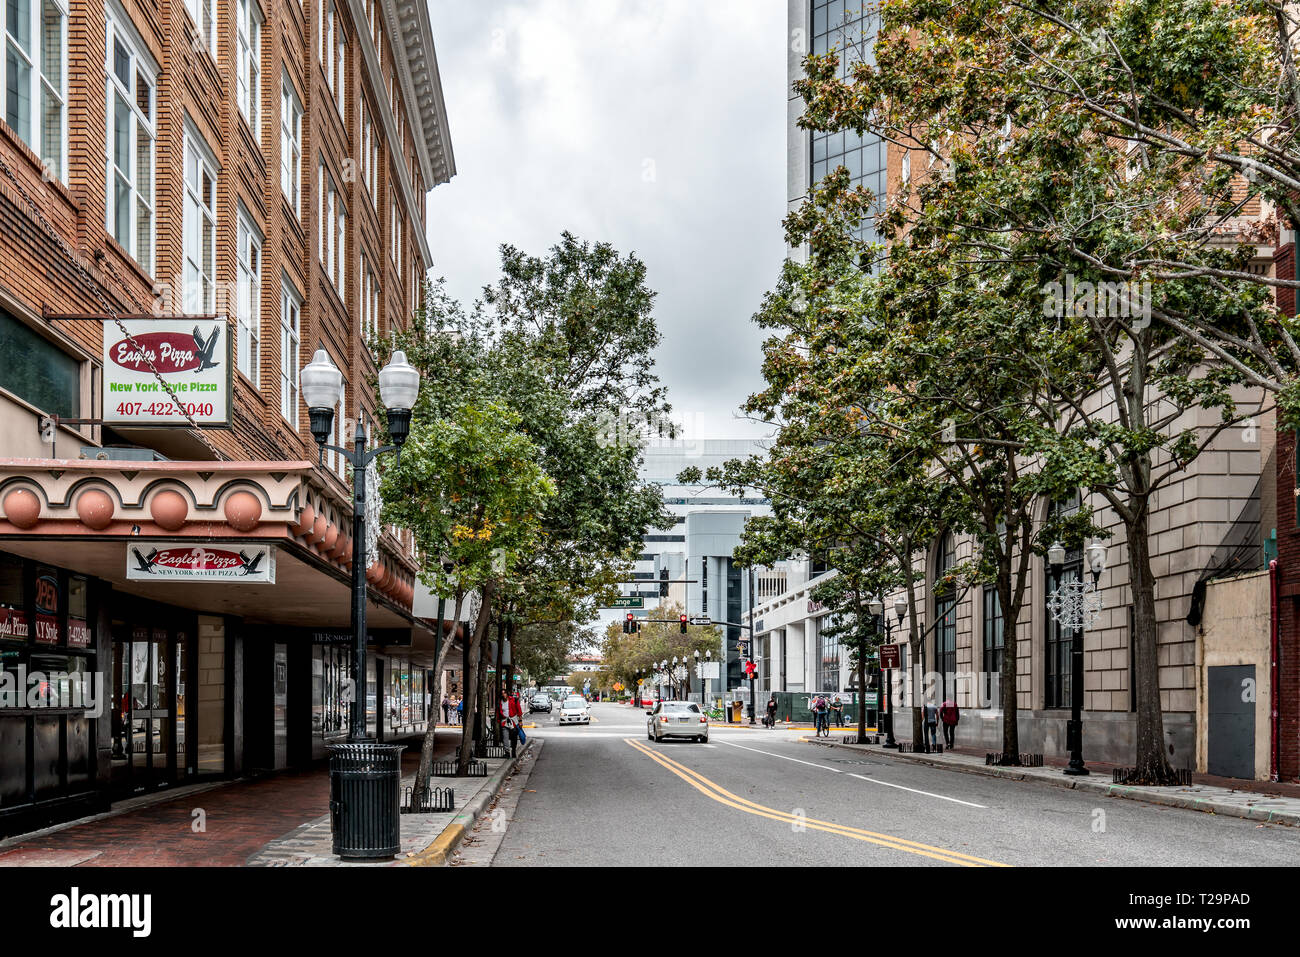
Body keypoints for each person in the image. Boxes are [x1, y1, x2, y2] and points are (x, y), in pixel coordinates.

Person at [499, 685, 524, 757]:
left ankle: (513, 750)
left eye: (505, 693)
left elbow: (519, 711)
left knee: (514, 737)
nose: (503, 694)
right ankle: (507, 752)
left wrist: (520, 721)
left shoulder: (514, 700)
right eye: (502, 693)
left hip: (513, 721)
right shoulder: (500, 702)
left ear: (507, 694)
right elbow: (499, 712)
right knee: (505, 737)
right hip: (504, 721)